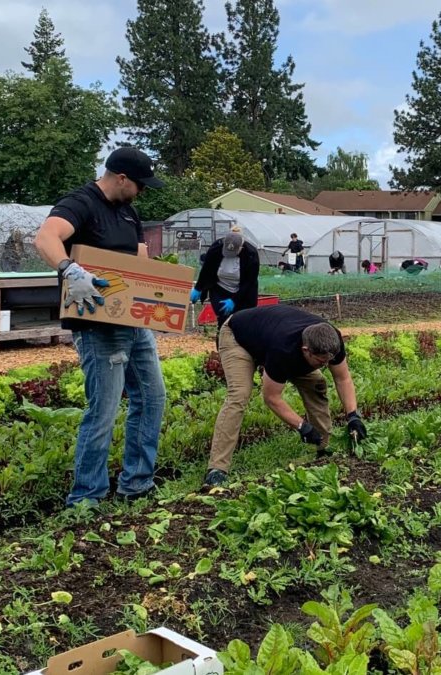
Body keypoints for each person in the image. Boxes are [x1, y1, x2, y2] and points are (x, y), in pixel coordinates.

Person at [33, 146, 167, 507]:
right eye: (139, 185)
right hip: (95, 322)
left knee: (152, 397)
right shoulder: (81, 203)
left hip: (132, 320)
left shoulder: (128, 212)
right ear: (121, 178)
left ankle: (136, 483)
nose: (141, 192)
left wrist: (158, 303)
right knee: (104, 408)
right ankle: (85, 496)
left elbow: (141, 262)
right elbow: (45, 237)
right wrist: (69, 270)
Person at [203, 305, 368, 487]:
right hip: (237, 337)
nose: (326, 365)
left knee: (317, 383)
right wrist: (301, 426)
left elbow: (342, 378)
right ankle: (217, 469)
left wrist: (353, 416)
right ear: (306, 350)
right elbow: (271, 398)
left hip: (270, 335)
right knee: (239, 395)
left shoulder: (331, 340)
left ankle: (322, 446)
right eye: (322, 362)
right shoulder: (283, 349)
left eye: (329, 360)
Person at [190, 231, 259, 326]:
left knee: (242, 321)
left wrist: (234, 300)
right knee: (223, 317)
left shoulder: (251, 254)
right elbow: (207, 269)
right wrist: (198, 288)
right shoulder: (216, 248)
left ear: (240, 248)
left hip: (243, 290)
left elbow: (249, 282)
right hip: (220, 287)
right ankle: (222, 336)